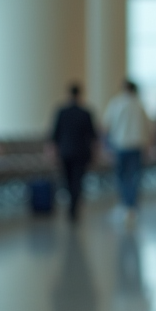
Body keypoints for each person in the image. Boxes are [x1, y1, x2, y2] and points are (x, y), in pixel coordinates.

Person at [104, 80, 152, 217]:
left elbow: (107, 124)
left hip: (121, 144)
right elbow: (148, 126)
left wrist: (106, 144)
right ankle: (132, 204)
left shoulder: (116, 103)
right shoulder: (140, 104)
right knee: (134, 175)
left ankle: (125, 204)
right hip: (137, 144)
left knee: (122, 175)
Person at [51, 83, 99, 221]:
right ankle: (74, 206)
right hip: (81, 152)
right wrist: (95, 153)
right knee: (78, 180)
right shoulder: (86, 113)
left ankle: (72, 205)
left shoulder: (61, 112)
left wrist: (53, 152)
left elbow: (55, 134)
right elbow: (93, 135)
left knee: (67, 179)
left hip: (65, 151)